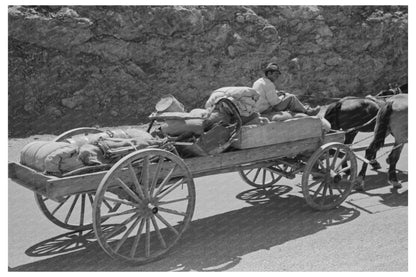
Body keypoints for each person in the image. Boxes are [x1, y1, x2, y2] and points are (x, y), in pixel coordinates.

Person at [253, 62, 320, 116]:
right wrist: (282, 97)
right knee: (291, 97)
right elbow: (275, 102)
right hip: (266, 111)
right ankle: (307, 112)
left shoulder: (259, 82)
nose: (277, 77)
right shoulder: (269, 84)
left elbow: (266, 96)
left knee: (286, 96)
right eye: (276, 74)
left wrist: (278, 94)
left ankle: (304, 109)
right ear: (269, 73)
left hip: (258, 110)